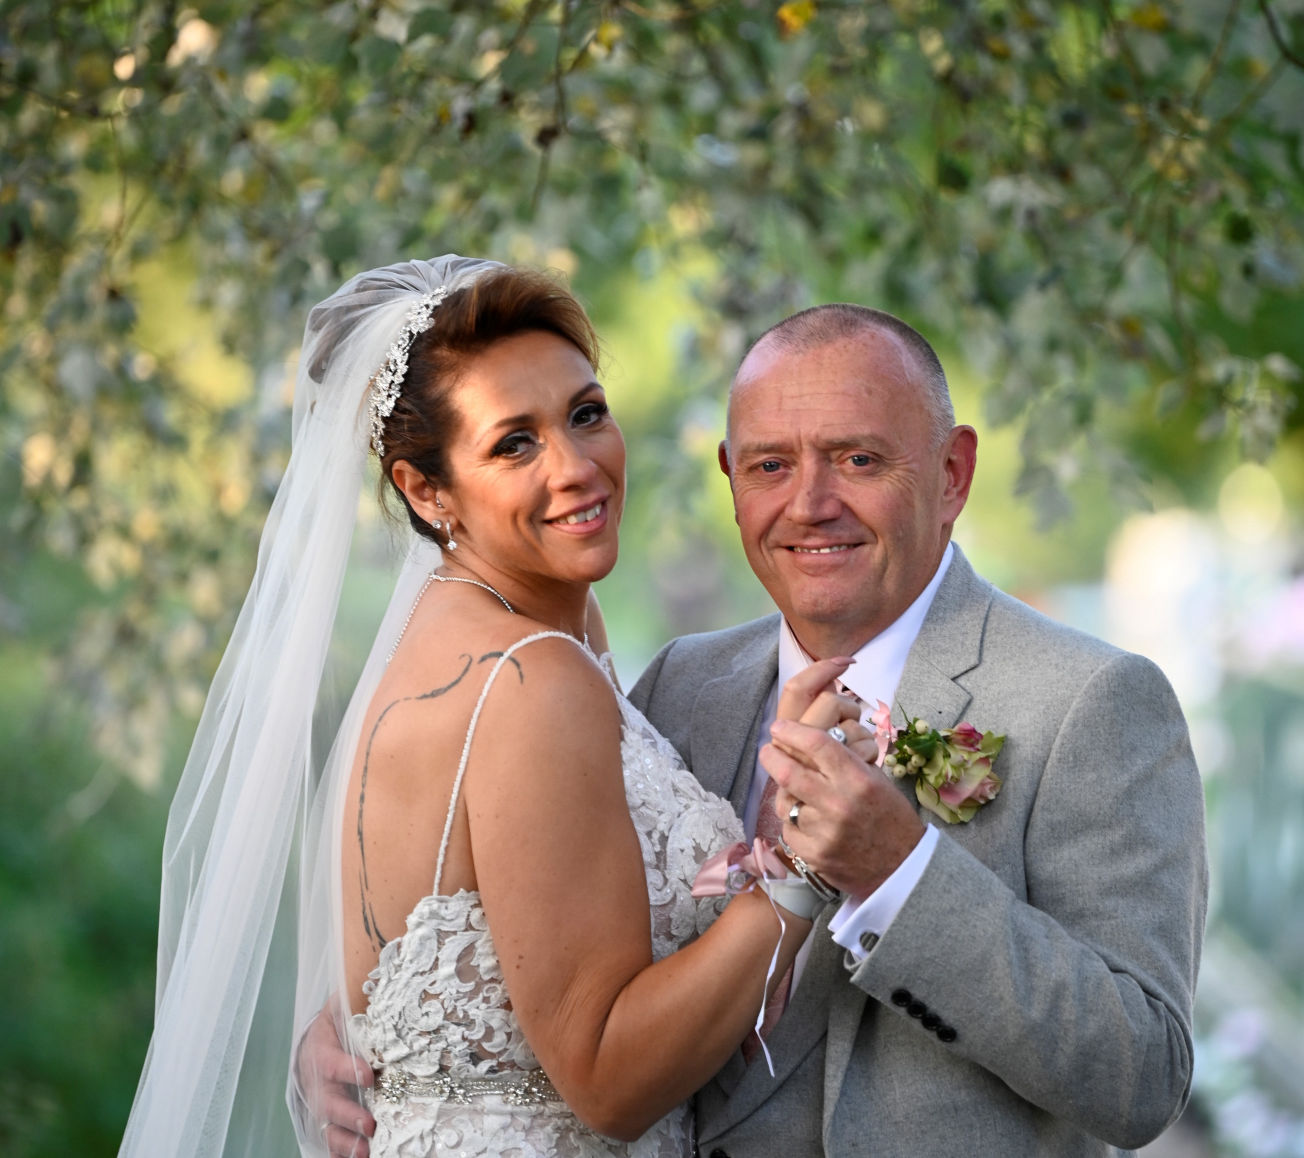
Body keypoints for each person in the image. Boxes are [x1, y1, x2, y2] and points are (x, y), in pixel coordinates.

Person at [118, 256, 868, 1158]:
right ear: (425, 491)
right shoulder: (531, 677)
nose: (578, 467)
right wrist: (796, 868)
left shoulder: (484, 632)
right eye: (515, 443)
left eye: (586, 414)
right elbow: (608, 1080)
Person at [628, 304, 1209, 1156]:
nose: (810, 504)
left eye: (858, 459)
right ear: (729, 476)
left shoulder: (1096, 699)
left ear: (952, 472)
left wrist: (900, 872)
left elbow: (1142, 1074)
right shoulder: (680, 684)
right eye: (770, 466)